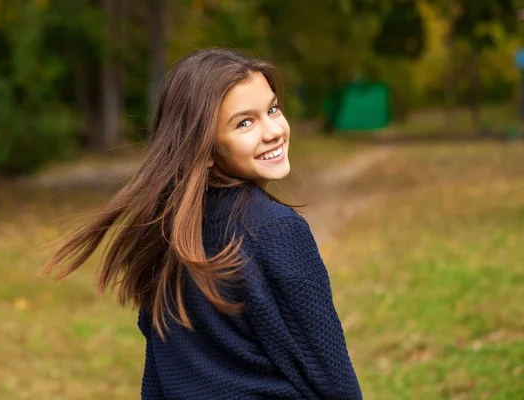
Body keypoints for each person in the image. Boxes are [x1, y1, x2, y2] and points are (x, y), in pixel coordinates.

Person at [41, 48, 362, 399]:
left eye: (272, 109)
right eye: (245, 122)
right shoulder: (276, 230)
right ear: (205, 150)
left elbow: (158, 379)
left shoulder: (168, 229)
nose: (273, 131)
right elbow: (336, 383)